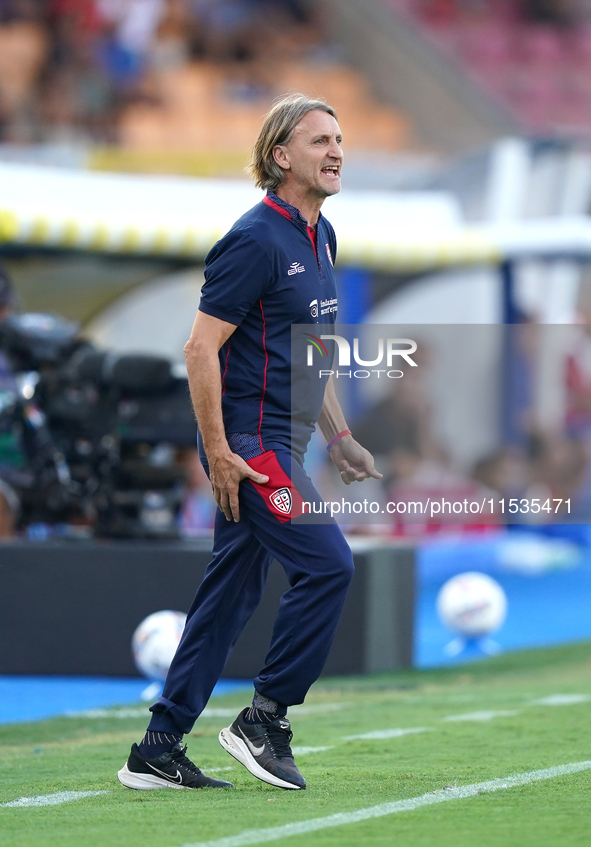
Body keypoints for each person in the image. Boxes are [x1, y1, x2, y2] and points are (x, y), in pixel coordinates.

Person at [117, 93, 381, 793]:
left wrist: (341, 435)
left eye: (340, 138)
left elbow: (308, 350)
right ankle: (264, 718)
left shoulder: (321, 235)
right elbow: (200, 351)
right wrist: (220, 453)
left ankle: (157, 747)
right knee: (328, 565)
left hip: (286, 440)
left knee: (228, 598)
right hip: (251, 443)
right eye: (320, 140)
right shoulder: (253, 239)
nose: (336, 151)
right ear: (279, 156)